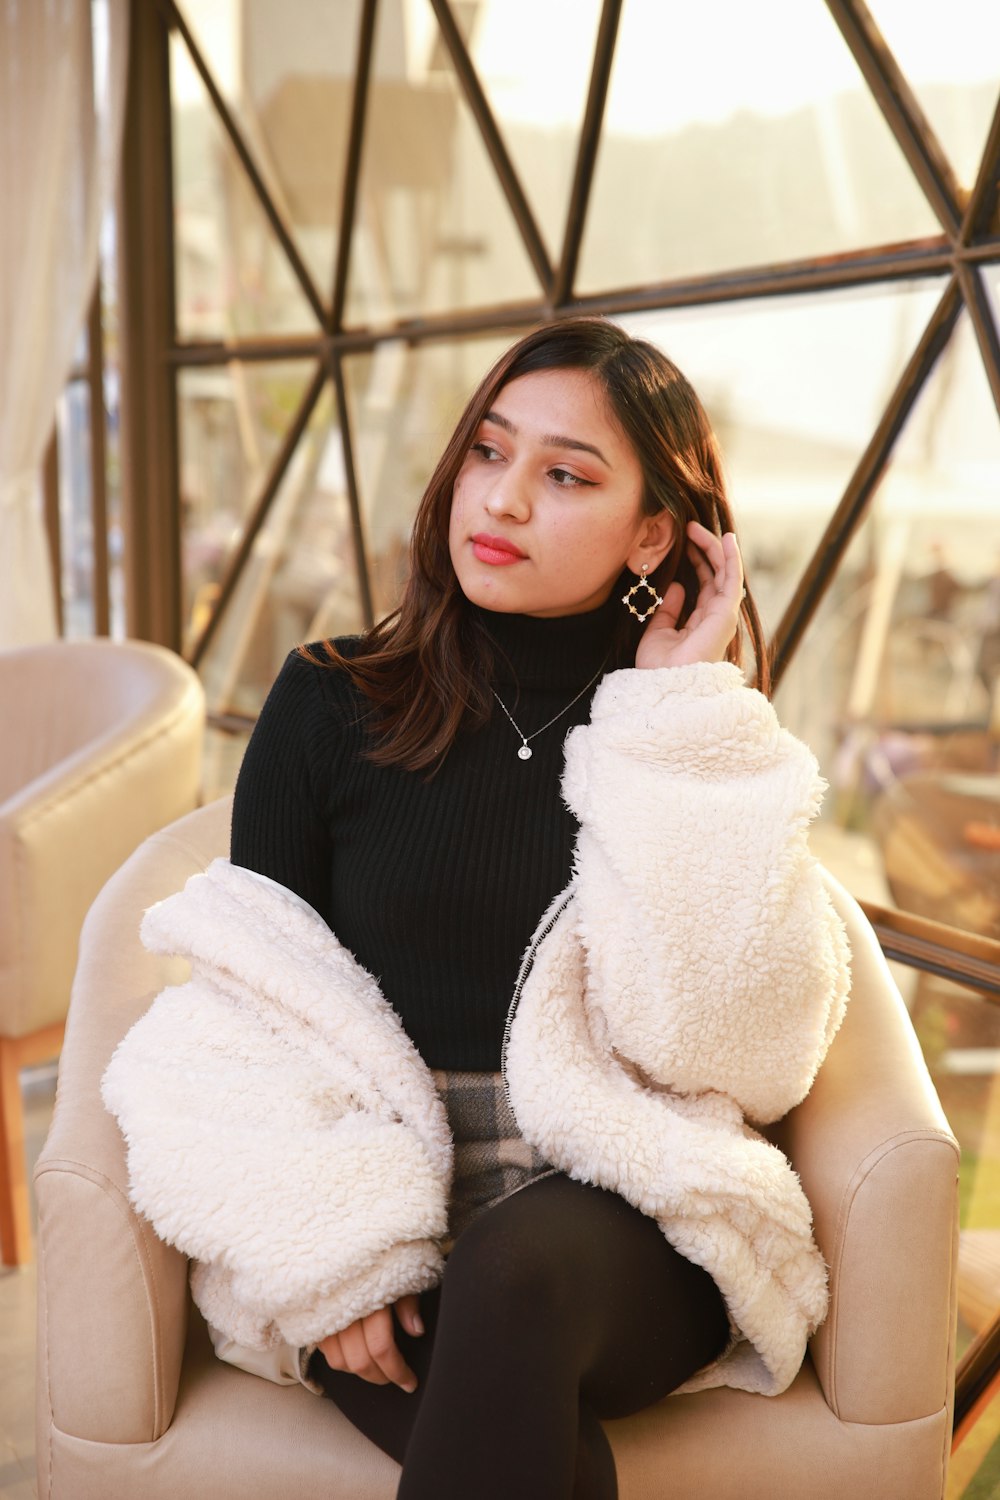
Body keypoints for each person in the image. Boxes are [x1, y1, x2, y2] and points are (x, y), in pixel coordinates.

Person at [103, 318, 850, 1500]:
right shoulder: (327, 703)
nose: (499, 501)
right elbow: (255, 1008)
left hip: (614, 1212)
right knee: (546, 1462)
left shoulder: (680, 739)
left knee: (510, 1273)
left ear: (654, 531)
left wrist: (673, 721)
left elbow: (736, 1047)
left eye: (565, 476)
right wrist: (334, 1247)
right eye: (487, 453)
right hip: (368, 1191)